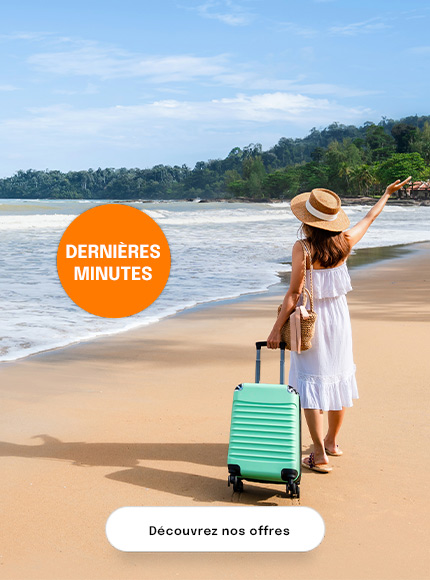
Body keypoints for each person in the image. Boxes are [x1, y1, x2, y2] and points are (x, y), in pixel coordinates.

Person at [267, 178, 411, 473]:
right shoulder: (345, 241)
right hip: (339, 320)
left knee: (309, 382)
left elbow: (294, 294)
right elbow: (369, 218)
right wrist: (386, 194)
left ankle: (319, 455)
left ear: (307, 221)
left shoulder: (303, 249)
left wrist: (275, 329)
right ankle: (332, 441)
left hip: (312, 320)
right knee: (337, 377)